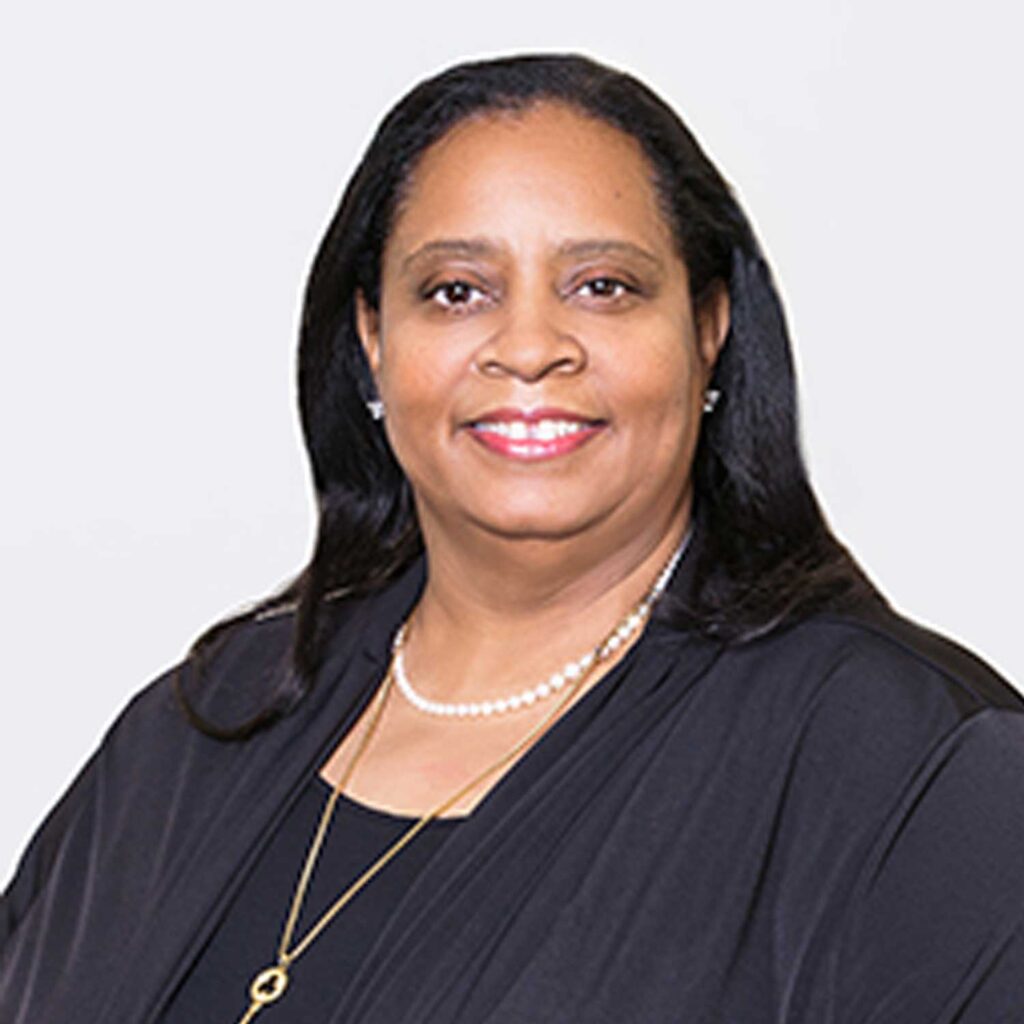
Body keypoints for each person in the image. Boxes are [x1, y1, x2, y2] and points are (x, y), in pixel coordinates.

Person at [2, 52, 1023, 1024]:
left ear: (708, 327)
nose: (530, 348)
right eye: (457, 291)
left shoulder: (914, 763)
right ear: (372, 338)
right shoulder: (203, 725)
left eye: (602, 286)